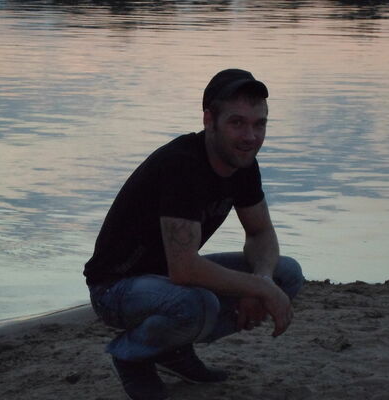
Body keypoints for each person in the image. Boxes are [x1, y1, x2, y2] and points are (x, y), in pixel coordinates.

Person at [83, 69, 304, 400]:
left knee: (286, 274)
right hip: (114, 288)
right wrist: (258, 288)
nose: (250, 136)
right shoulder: (182, 165)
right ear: (209, 120)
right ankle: (132, 355)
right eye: (237, 123)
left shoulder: (242, 163)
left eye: (259, 124)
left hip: (167, 279)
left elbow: (260, 232)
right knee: (197, 304)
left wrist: (263, 279)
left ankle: (172, 350)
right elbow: (185, 269)